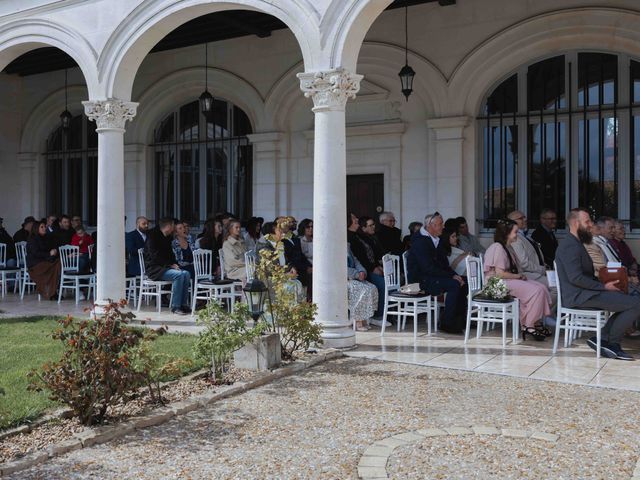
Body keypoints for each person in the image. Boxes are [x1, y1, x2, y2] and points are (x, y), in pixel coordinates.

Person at [555, 208, 640, 360]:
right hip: (579, 296)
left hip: (587, 293)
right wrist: (604, 287)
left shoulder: (577, 243)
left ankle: (605, 339)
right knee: (635, 304)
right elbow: (576, 278)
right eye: (587, 221)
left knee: (629, 301)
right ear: (575, 223)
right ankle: (611, 343)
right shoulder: (569, 245)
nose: (590, 225)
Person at [484, 219, 551, 341]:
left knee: (541, 287)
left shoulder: (508, 247)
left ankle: (534, 322)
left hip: (506, 281)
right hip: (496, 284)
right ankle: (528, 324)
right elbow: (500, 274)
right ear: (506, 233)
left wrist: (520, 276)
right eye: (515, 232)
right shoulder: (498, 247)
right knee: (536, 291)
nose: (517, 234)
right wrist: (518, 277)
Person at [407, 212, 467, 333]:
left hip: (432, 276)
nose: (443, 227)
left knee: (463, 282)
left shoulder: (435, 239)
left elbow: (444, 264)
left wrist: (455, 275)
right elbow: (427, 268)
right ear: (431, 226)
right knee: (453, 284)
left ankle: (459, 321)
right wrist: (452, 277)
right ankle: (446, 323)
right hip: (420, 280)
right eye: (440, 224)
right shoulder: (419, 241)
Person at [144, 217, 191, 315]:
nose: (174, 228)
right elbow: (154, 256)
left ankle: (183, 304)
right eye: (173, 226)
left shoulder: (167, 237)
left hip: (166, 267)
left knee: (186, 273)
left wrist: (175, 264)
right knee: (178, 275)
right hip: (155, 269)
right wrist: (170, 265)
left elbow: (170, 255)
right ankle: (176, 306)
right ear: (169, 226)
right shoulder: (152, 236)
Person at [350, 216, 387, 325]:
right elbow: (360, 257)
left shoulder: (370, 238)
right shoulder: (353, 238)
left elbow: (374, 255)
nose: (373, 227)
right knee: (382, 284)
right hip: (364, 271)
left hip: (368, 268)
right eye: (370, 225)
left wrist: (378, 265)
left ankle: (387, 314)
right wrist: (372, 268)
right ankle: (377, 315)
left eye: (373, 224)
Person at [256, 221, 304, 302]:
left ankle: (294, 310)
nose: (282, 233)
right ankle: (286, 310)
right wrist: (285, 275)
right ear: (270, 234)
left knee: (297, 283)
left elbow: (286, 261)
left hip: (281, 275)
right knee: (291, 285)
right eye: (279, 231)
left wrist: (291, 268)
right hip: (269, 279)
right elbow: (269, 269)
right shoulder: (264, 247)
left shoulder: (279, 244)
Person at [507, 210, 549, 287]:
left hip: (536, 272)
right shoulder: (515, 239)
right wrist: (542, 270)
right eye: (521, 218)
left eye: (524, 217)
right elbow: (524, 264)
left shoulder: (525, 236)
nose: (525, 219)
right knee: (556, 287)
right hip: (528, 274)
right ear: (512, 222)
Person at [26, 220, 61, 300]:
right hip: (35, 264)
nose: (44, 228)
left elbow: (52, 247)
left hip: (45, 261)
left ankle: (52, 292)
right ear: (36, 229)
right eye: (42, 227)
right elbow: (36, 253)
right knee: (55, 267)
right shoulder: (32, 239)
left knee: (57, 264)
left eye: (45, 226)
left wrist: (55, 251)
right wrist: (49, 254)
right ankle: (52, 292)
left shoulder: (47, 238)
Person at [347, 244, 378, 332]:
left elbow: (356, 261)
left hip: (355, 278)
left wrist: (361, 271)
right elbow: (340, 267)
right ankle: (358, 321)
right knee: (362, 290)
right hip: (344, 279)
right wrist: (356, 274)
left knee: (372, 288)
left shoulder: (347, 246)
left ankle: (365, 318)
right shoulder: (335, 249)